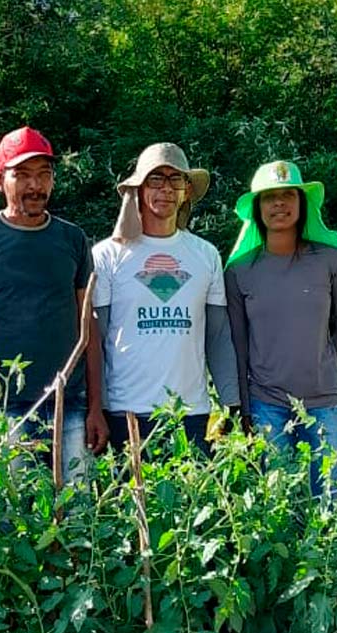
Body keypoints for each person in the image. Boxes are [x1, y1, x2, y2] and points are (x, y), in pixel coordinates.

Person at [0, 126, 108, 484]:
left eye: (43, 174)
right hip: (6, 407)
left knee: (76, 517)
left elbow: (89, 327)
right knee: (13, 521)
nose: (34, 185)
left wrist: (95, 407)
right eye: (21, 175)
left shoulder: (72, 239)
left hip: (68, 403)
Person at [224, 160, 337, 499]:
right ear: (257, 208)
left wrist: (320, 361)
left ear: (302, 204)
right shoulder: (240, 271)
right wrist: (242, 405)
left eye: (288, 195)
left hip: (325, 402)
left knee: (336, 504)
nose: (279, 204)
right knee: (279, 509)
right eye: (269, 197)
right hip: (267, 405)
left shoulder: (330, 260)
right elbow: (238, 346)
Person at [92, 142, 239, 453]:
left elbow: (218, 336)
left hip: (191, 414)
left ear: (186, 190)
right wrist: (99, 407)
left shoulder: (205, 255)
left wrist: (232, 402)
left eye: (176, 180)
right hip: (125, 412)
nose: (166, 189)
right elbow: (96, 338)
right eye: (155, 179)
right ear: (139, 189)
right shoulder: (107, 255)